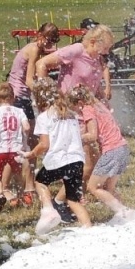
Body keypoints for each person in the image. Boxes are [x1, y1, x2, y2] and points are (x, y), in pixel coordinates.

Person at [28, 80, 95, 232]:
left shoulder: (44, 117)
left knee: (40, 181)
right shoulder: (70, 114)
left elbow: (44, 144)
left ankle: (48, 211)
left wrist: (31, 154)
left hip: (58, 160)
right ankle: (89, 229)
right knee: (73, 200)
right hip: (77, 160)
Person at [80, 87, 135, 222]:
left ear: (79, 102)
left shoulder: (87, 108)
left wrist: (74, 137)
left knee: (93, 187)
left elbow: (92, 135)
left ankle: (122, 210)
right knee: (109, 188)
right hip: (122, 147)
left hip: (111, 150)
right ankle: (126, 214)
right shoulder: (99, 105)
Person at [37, 24, 114, 102]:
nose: (107, 52)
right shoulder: (77, 50)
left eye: (108, 48)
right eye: (105, 48)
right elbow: (41, 63)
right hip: (67, 107)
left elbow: (92, 84)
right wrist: (47, 98)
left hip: (86, 108)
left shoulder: (97, 58)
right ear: (92, 42)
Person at [0, 83, 31, 209]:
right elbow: (27, 127)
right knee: (17, 173)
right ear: (13, 97)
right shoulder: (19, 111)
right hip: (16, 149)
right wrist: (24, 137)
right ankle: (22, 195)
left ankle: (1, 194)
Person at [7, 23, 60, 123]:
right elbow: (29, 80)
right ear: (40, 35)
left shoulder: (35, 47)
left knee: (31, 129)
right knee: (31, 131)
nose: (50, 45)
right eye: (49, 41)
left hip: (17, 93)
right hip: (19, 95)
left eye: (53, 41)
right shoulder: (34, 50)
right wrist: (44, 97)